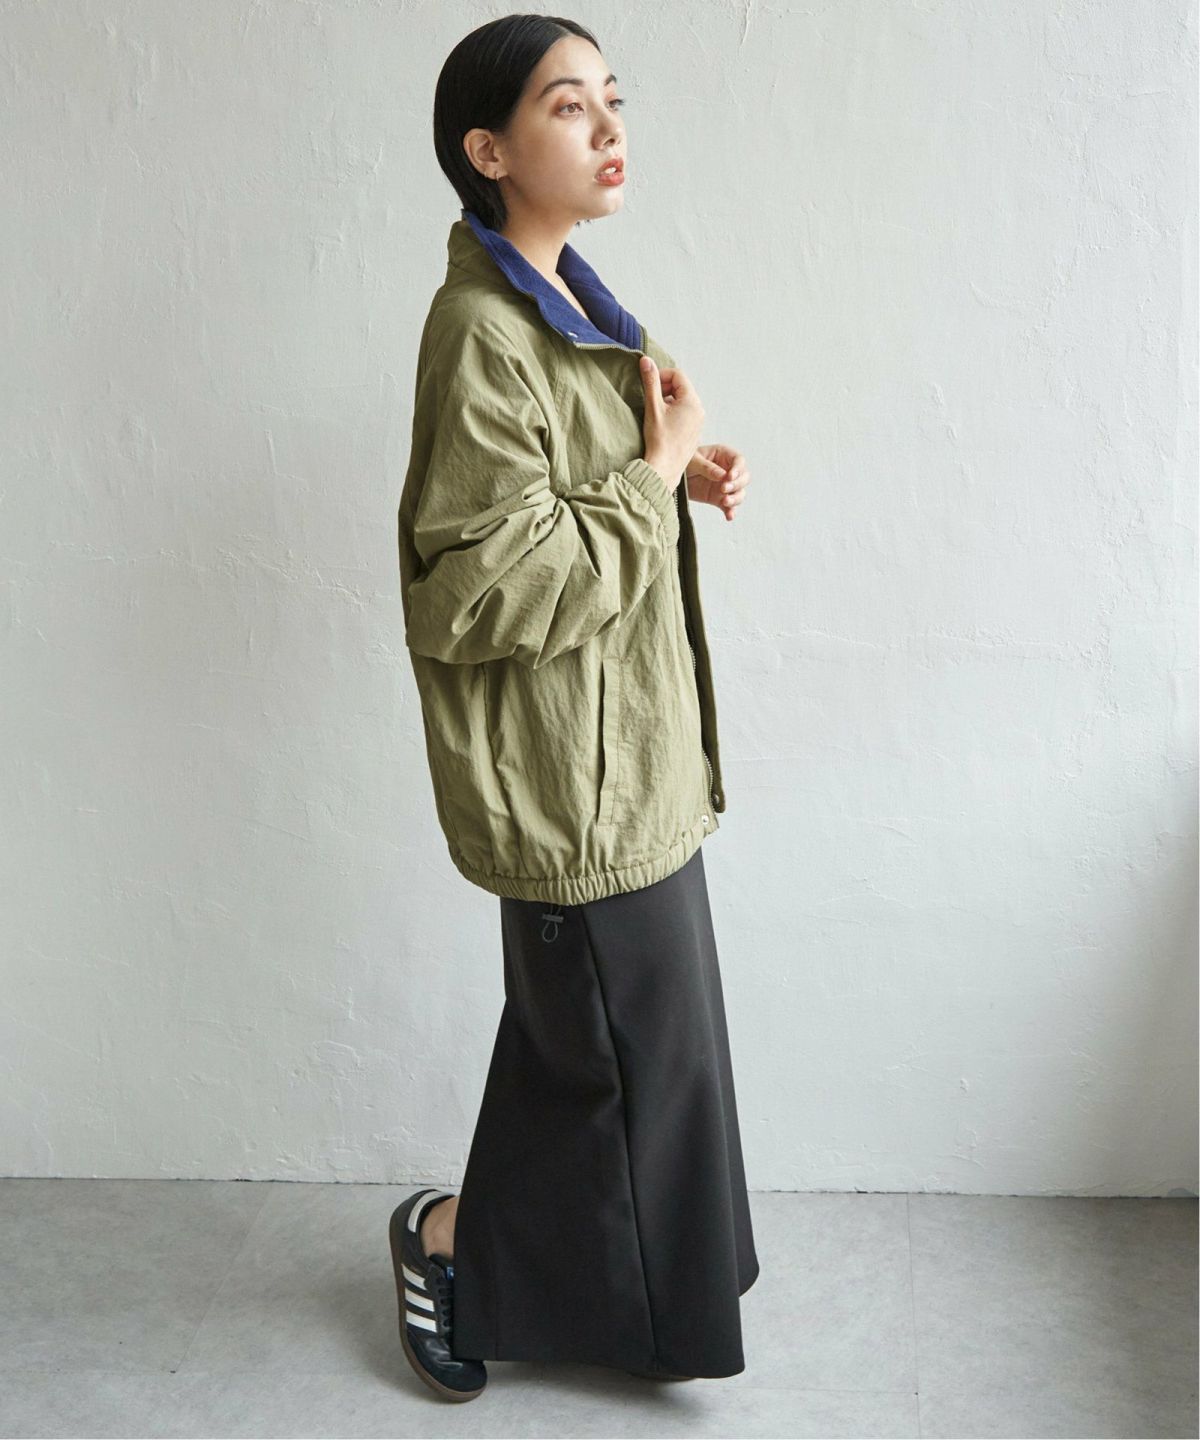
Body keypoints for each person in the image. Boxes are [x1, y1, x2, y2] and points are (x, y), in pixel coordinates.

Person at [389, 12, 757, 1405]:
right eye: (566, 106)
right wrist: (652, 476)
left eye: (612, 97)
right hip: (568, 781)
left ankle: (577, 1292)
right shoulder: (480, 332)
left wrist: (676, 466)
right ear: (487, 151)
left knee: (627, 1057)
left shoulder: (579, 309)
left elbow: (576, 498)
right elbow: (484, 590)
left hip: (628, 762)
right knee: (600, 1065)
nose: (609, 127)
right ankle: (450, 1248)